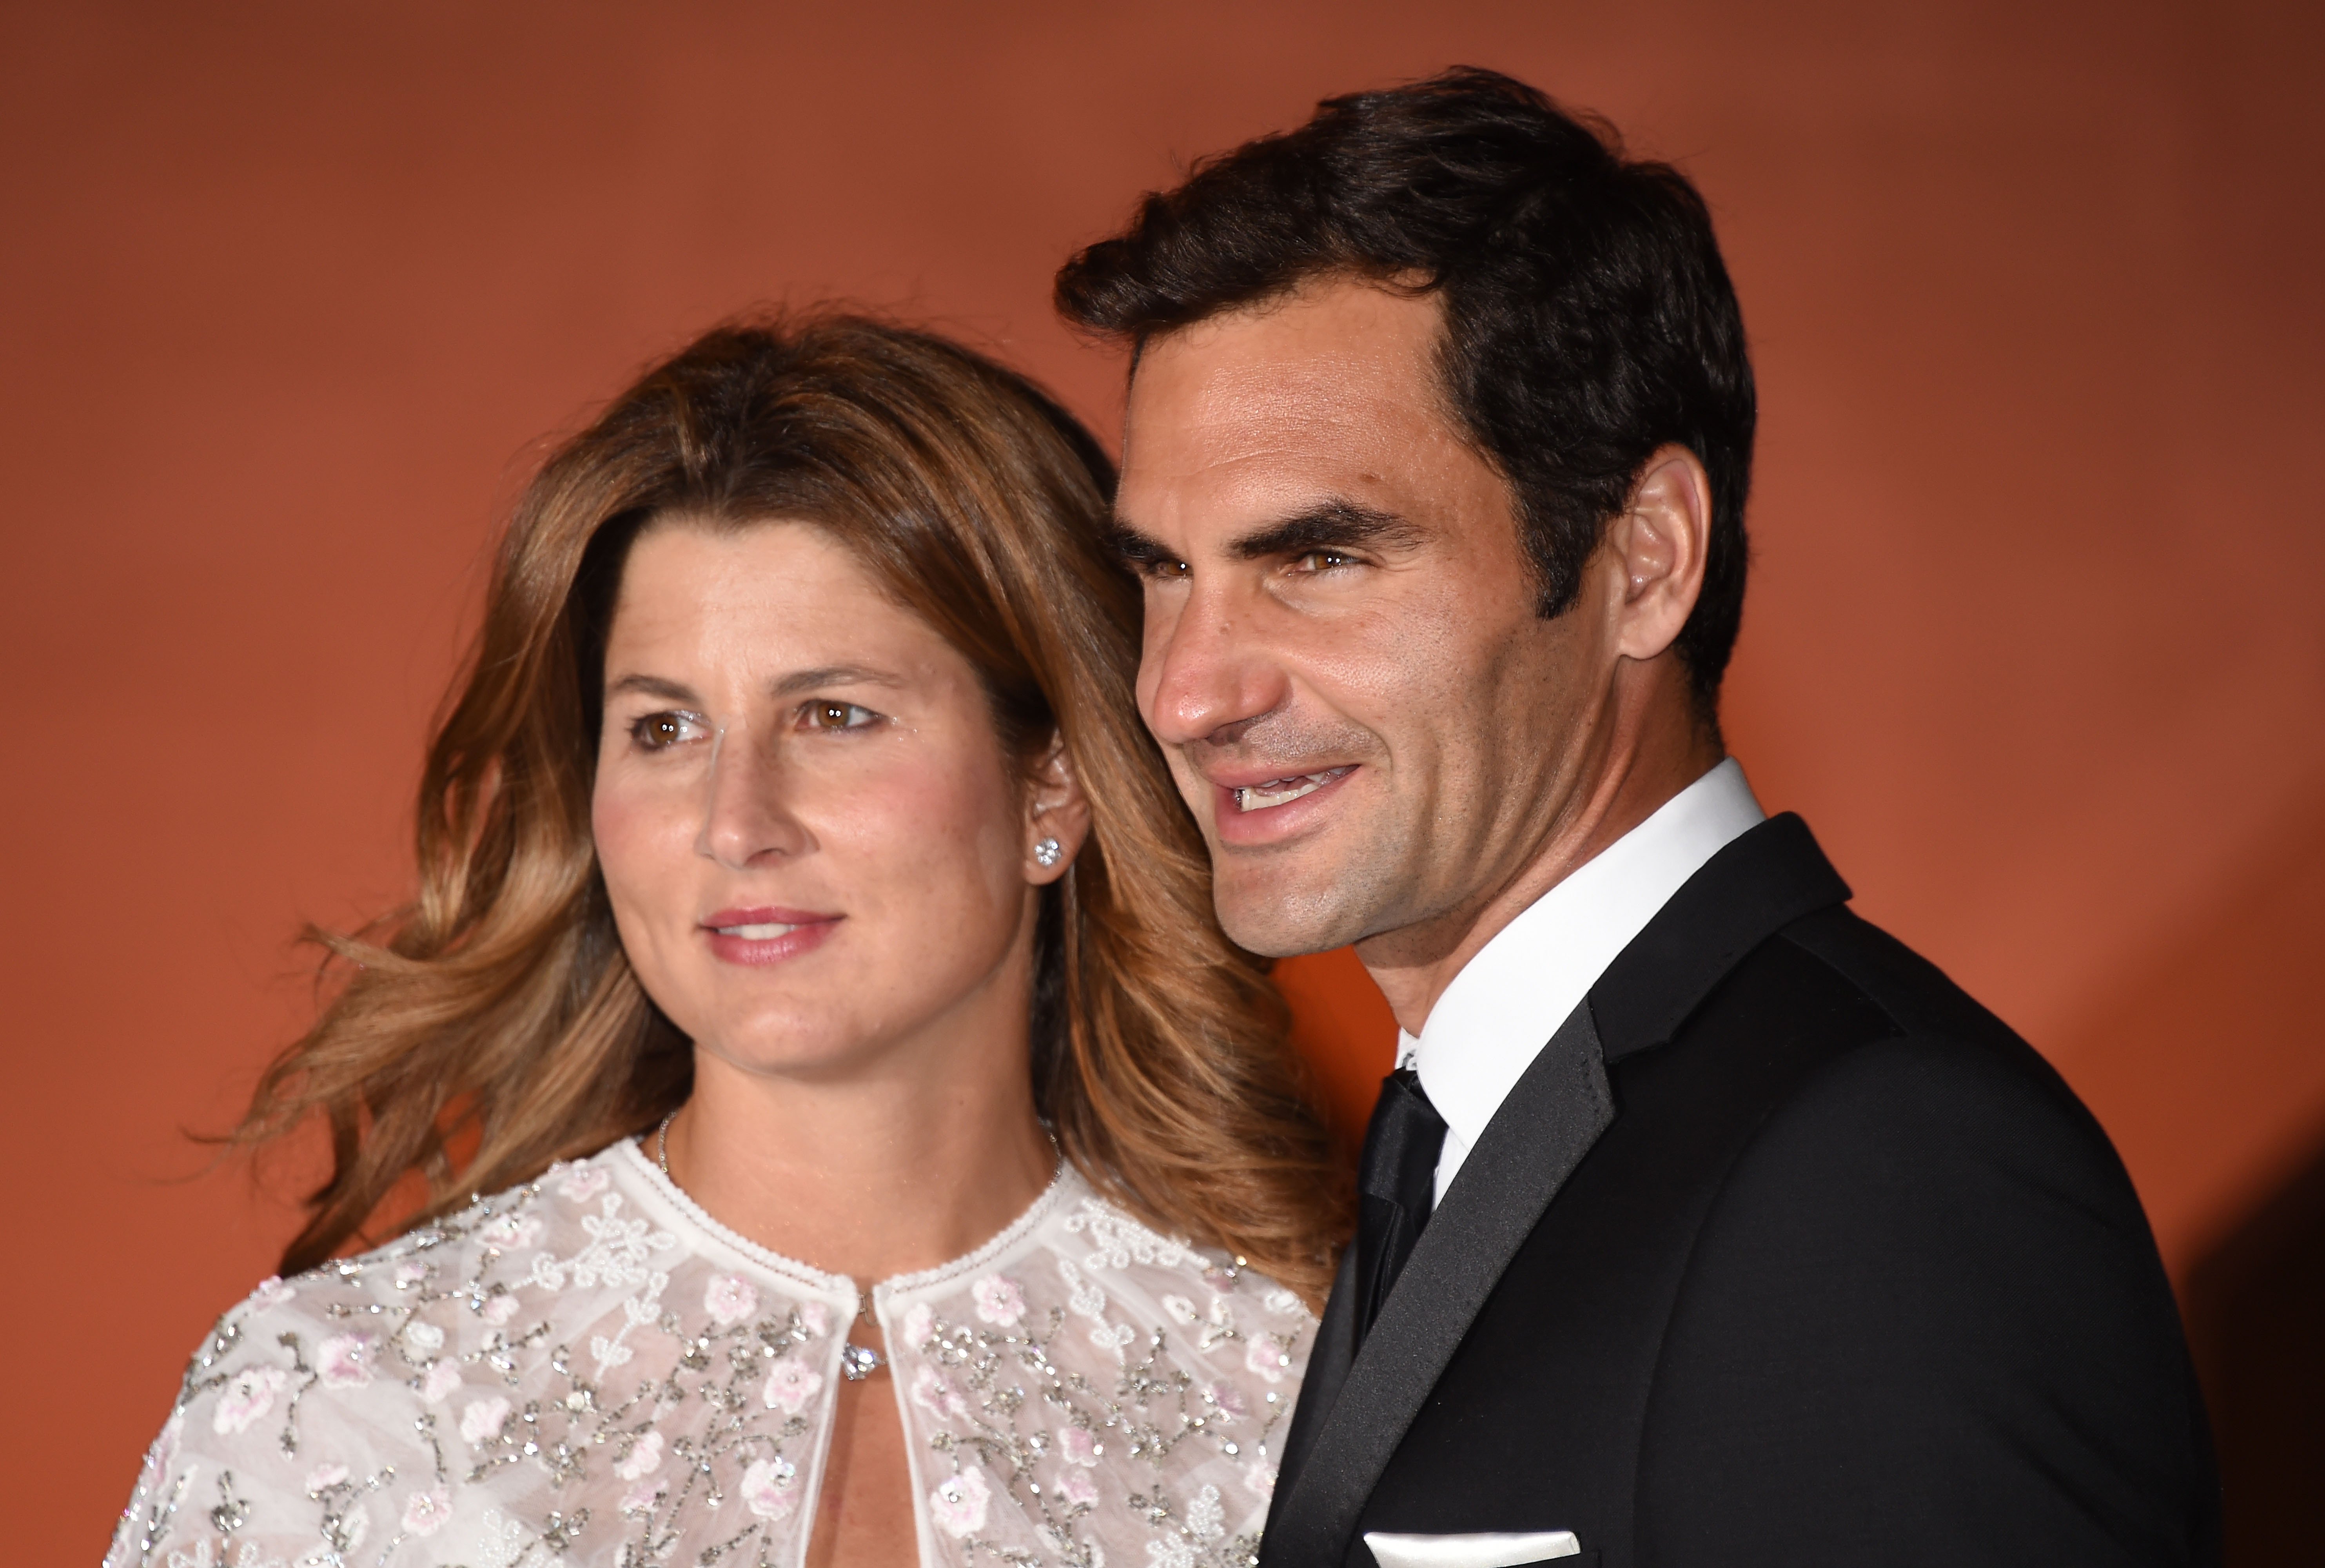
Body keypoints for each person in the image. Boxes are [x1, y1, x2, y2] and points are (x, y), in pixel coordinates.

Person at [1055, 67, 2220, 1568]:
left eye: (1321, 560)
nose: (1189, 693)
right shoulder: (1445, 1134)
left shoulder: (1881, 1176)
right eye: (1163, 573)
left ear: (1647, 559)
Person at [108, 316, 1344, 1568]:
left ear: (1052, 785)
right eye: (663, 730)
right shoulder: (343, 1409)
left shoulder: (1303, 1399)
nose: (734, 823)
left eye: (834, 715)